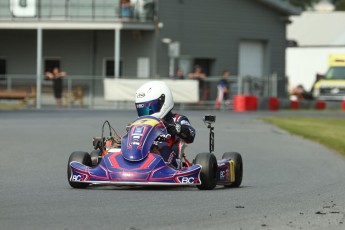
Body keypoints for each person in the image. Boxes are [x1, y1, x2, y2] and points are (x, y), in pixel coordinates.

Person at [135, 81, 195, 168]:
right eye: (142, 110)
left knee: (165, 150)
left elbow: (191, 134)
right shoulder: (140, 123)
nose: (146, 114)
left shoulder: (177, 119)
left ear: (164, 102)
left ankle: (163, 169)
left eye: (150, 109)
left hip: (169, 154)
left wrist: (176, 129)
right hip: (145, 152)